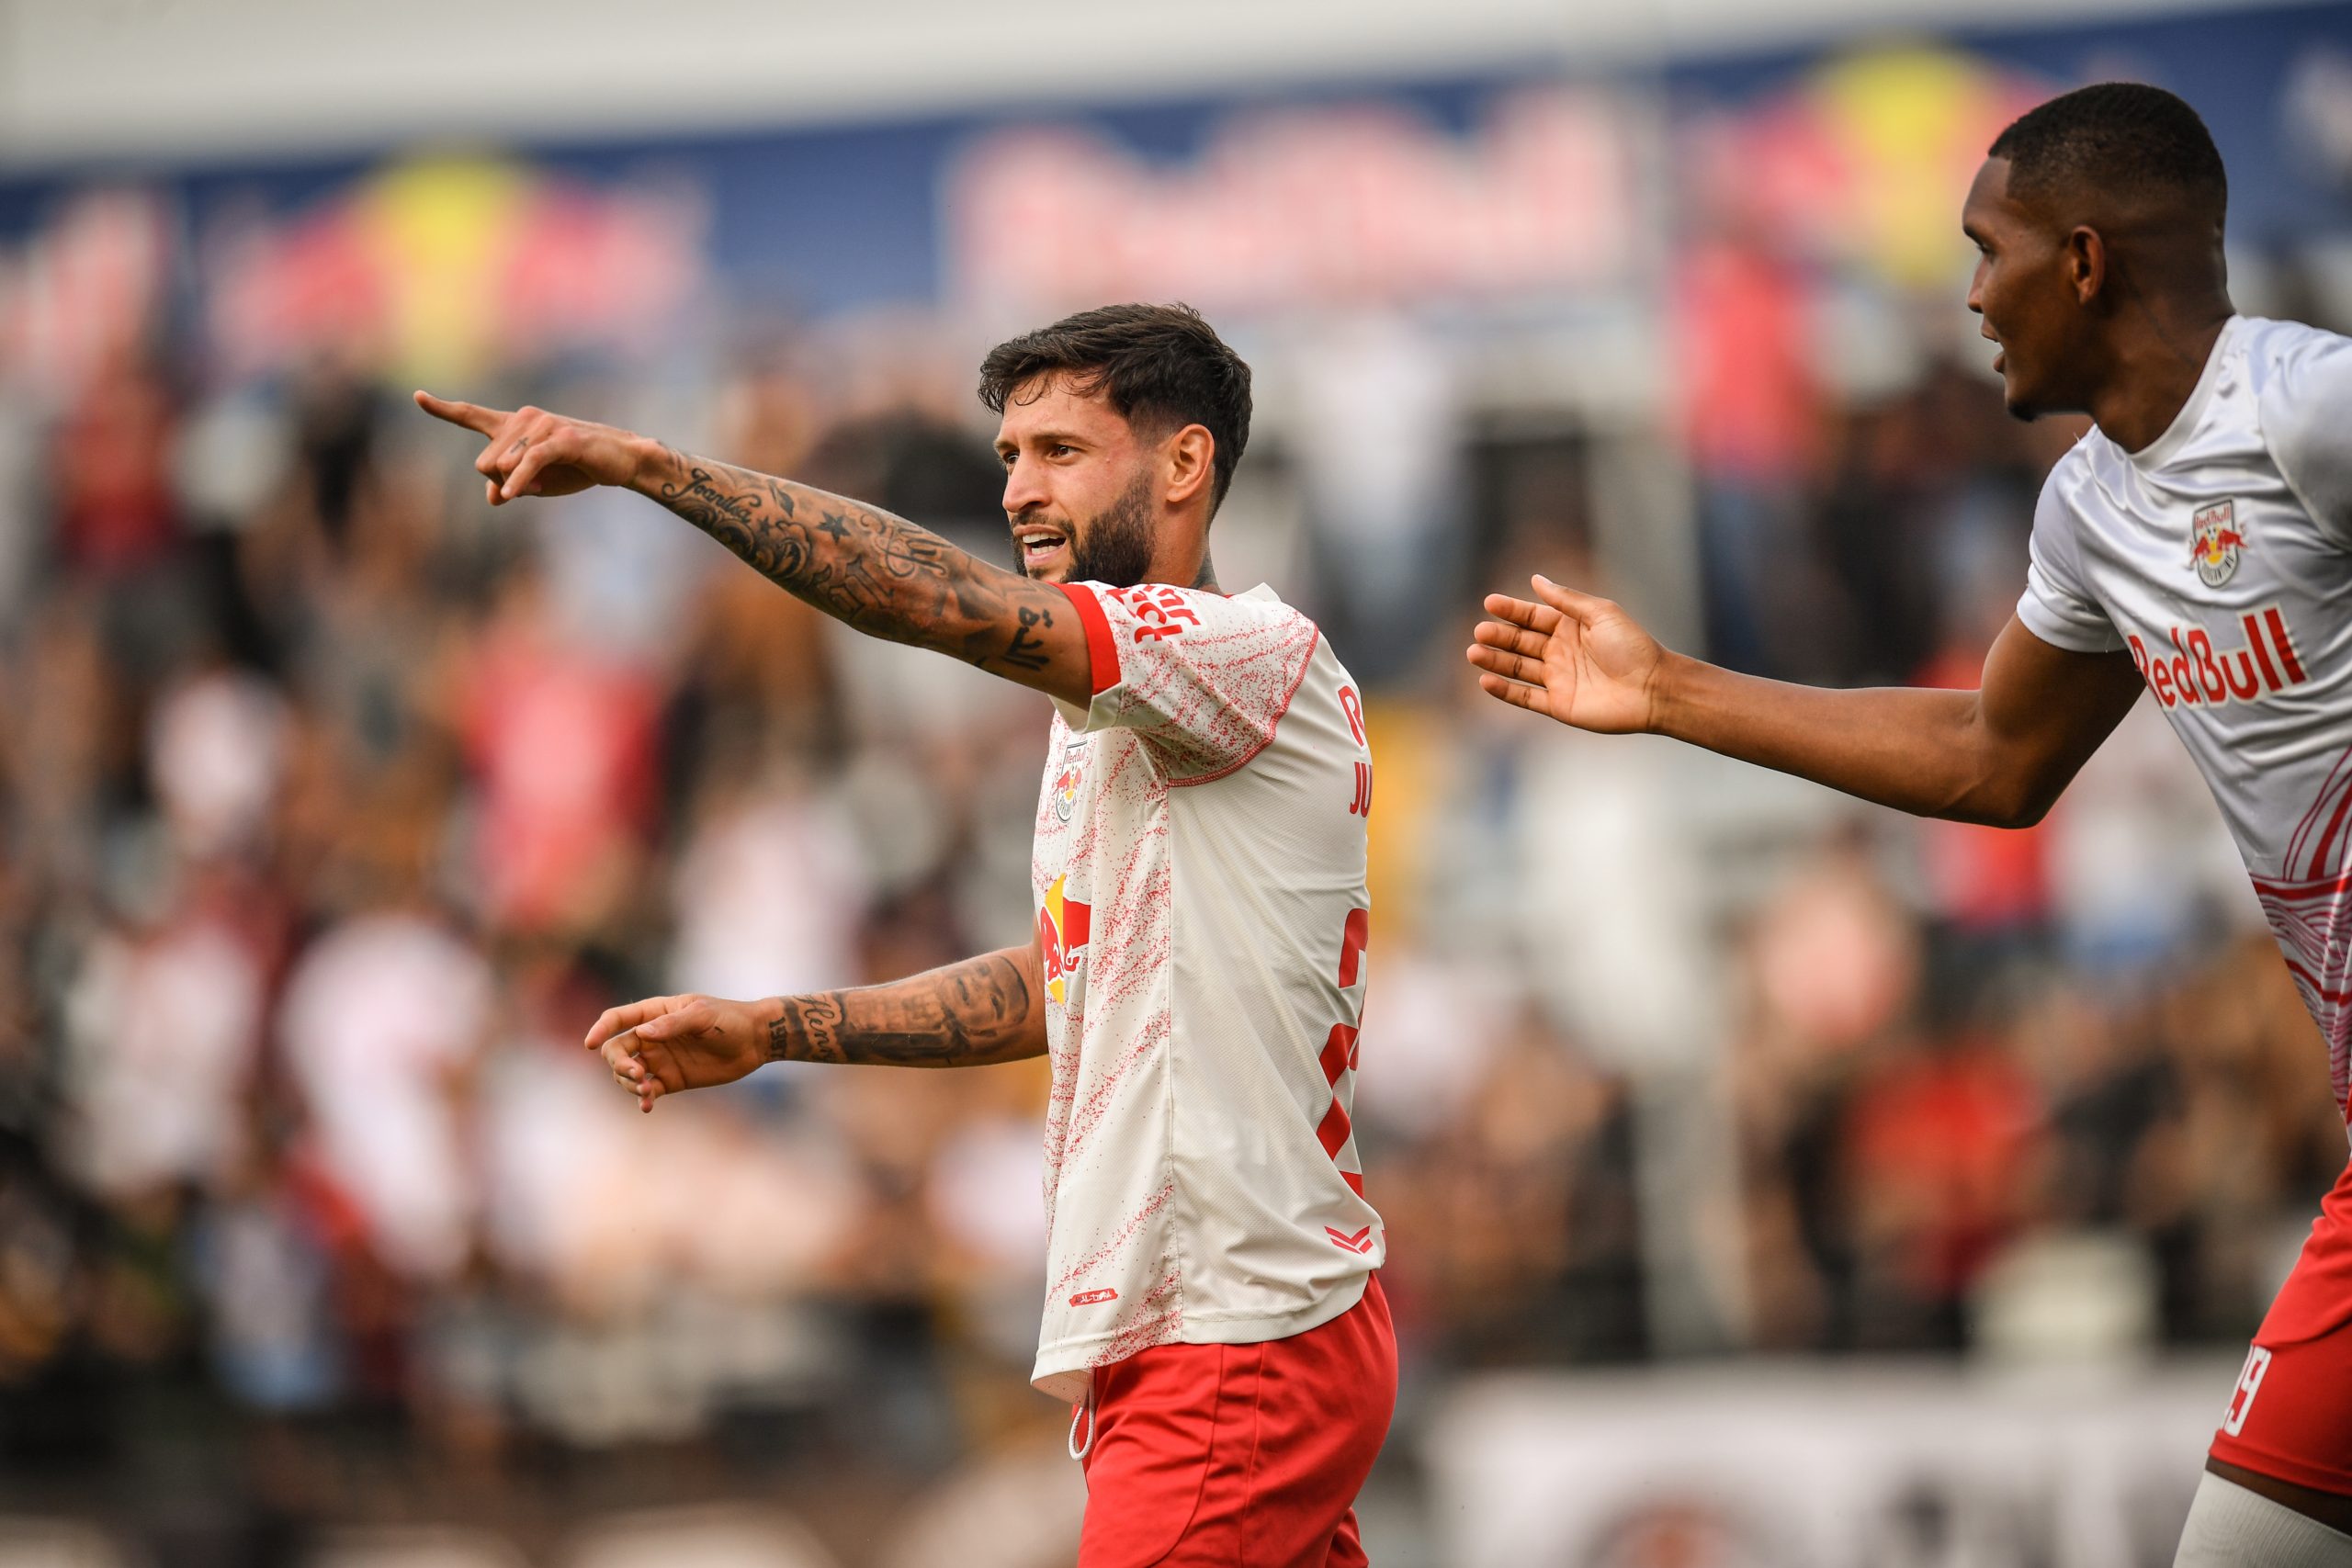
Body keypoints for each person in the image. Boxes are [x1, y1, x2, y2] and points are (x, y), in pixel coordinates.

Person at [1468, 83, 2352, 1565]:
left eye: (1986, 249)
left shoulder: (2308, 409)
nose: (1969, 296)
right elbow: (1989, 761)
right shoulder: (2090, 508)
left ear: (2080, 261)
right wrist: (1670, 690)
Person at [418, 303, 1395, 1567]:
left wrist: (651, 468)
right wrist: (772, 1029)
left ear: (1183, 464)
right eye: (1009, 460)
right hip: (1229, 1331)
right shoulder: (1130, 715)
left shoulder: (1234, 651)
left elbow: (929, 601)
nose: (1021, 492)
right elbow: (1068, 986)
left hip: (1231, 1335)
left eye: (1058, 451)